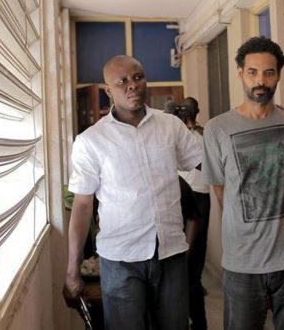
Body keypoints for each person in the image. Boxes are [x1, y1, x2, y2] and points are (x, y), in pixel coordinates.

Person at [63, 55, 202, 330]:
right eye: (122, 81)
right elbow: (82, 206)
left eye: (138, 77)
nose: (132, 85)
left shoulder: (169, 126)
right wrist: (72, 269)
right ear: (108, 90)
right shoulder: (91, 141)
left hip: (170, 254)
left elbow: (204, 161)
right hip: (120, 260)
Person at [201, 36, 284, 330]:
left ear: (278, 75)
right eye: (252, 72)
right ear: (240, 73)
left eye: (269, 72)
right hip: (242, 263)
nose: (260, 80)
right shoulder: (217, 129)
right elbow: (221, 190)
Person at [178, 97, 210, 330]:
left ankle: (198, 323)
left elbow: (209, 164)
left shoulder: (204, 133)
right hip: (180, 194)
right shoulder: (174, 132)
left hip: (198, 194)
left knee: (193, 260)